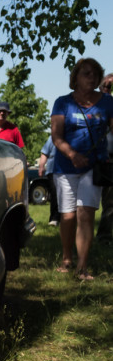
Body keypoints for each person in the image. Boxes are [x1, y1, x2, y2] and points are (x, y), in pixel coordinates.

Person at [50, 58, 113, 280]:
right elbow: (56, 136)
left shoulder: (107, 102)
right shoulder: (62, 103)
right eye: (86, 73)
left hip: (94, 166)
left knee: (85, 214)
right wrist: (72, 154)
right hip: (65, 166)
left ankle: (82, 267)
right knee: (68, 216)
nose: (92, 77)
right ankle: (67, 258)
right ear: (75, 77)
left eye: (95, 74)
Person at [97, 73, 113, 244]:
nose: (109, 89)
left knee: (110, 203)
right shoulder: (97, 105)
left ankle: (105, 236)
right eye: (107, 86)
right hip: (101, 158)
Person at [37, 137, 61, 226]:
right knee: (55, 193)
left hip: (67, 170)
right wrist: (41, 166)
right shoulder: (52, 138)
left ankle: (65, 218)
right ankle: (54, 218)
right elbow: (44, 153)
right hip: (53, 170)